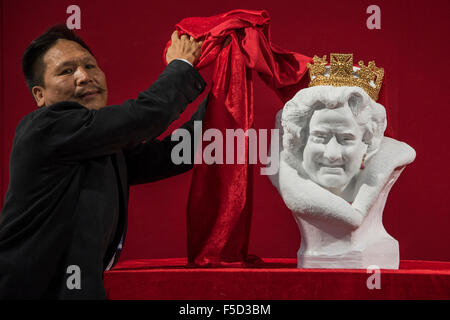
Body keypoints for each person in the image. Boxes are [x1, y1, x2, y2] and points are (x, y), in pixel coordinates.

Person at [0, 25, 206, 299]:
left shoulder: (96, 144)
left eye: (90, 66)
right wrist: (181, 64)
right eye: (66, 71)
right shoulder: (44, 129)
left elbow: (171, 155)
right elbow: (146, 116)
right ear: (40, 95)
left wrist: (225, 103)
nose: (84, 77)